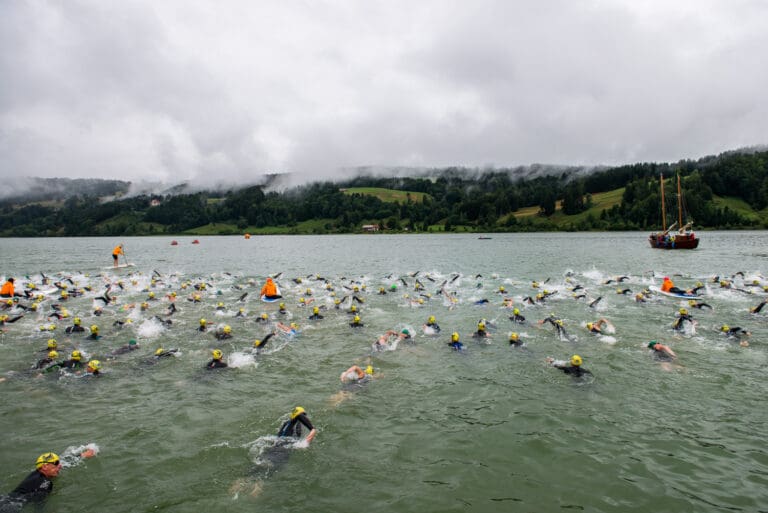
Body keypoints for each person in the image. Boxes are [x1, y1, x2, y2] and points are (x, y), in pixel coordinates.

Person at [4, 450, 95, 508]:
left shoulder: (36, 473)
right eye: (56, 463)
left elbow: (64, 462)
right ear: (45, 467)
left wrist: (82, 455)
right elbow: (39, 505)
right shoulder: (46, 483)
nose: (60, 466)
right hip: (10, 507)